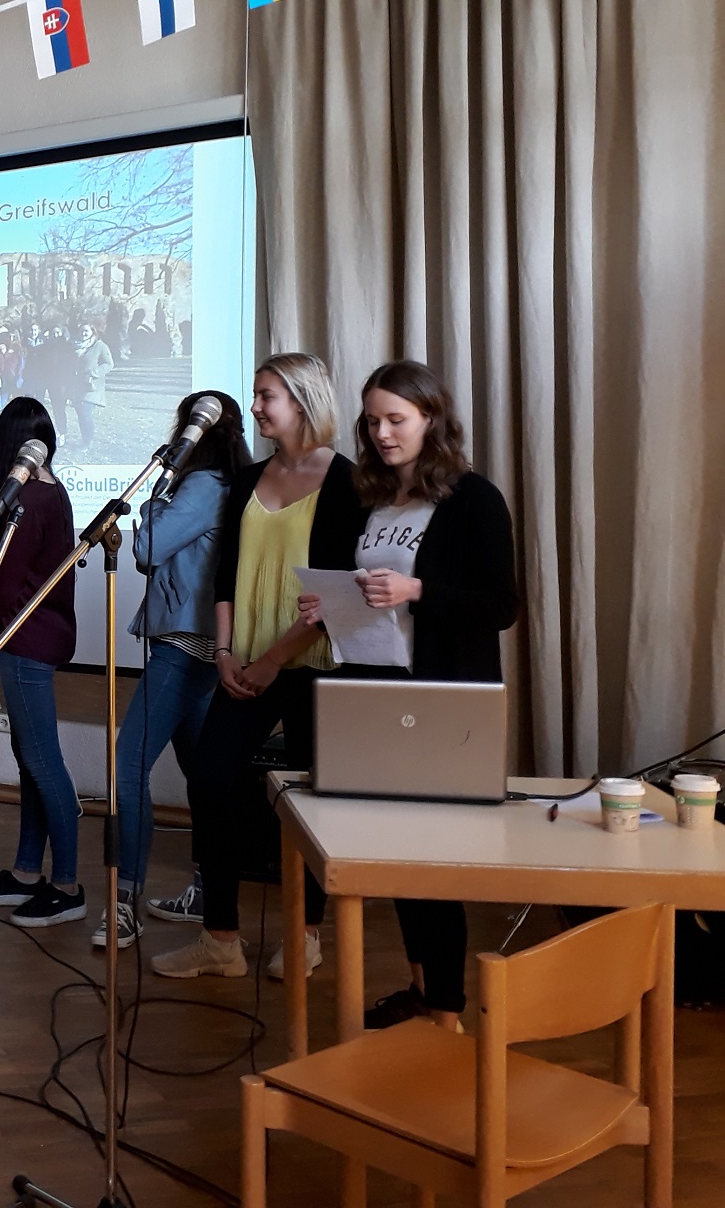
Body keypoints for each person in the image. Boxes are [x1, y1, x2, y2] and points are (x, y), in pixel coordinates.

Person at [304, 361, 518, 1029]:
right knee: (394, 856)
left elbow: (502, 605)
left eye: (397, 419)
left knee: (432, 858)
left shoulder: (473, 499)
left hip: (444, 698)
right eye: (373, 421)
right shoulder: (362, 499)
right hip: (372, 690)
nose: (383, 432)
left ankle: (449, 1006)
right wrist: (328, 602)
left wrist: (417, 592)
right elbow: (356, 587)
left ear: (432, 419)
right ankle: (424, 989)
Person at [153, 353, 365, 981]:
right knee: (211, 778)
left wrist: (274, 660)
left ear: (301, 401)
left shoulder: (346, 482)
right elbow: (224, 575)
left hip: (310, 665)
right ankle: (220, 939)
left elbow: (337, 594)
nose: (255, 406)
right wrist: (223, 653)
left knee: (309, 800)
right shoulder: (247, 479)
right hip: (242, 662)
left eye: (266, 394)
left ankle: (306, 935)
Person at [97, 393, 250, 945]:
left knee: (128, 766)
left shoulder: (203, 486)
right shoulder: (226, 485)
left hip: (185, 647)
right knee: (204, 775)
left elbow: (148, 548)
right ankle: (208, 893)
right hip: (206, 646)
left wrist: (155, 497)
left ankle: (123, 904)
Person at [0, 397, 86, 928]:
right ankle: (27, 871)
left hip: (23, 642)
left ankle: (68, 885)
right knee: (30, 759)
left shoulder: (31, 500)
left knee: (41, 760)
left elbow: (7, 587)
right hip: (24, 640)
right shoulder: (41, 494)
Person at [64, 322, 115, 452]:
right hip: (77, 386)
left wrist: (94, 372)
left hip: (91, 386)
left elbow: (109, 364)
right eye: (81, 331)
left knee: (85, 413)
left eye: (86, 331)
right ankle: (85, 439)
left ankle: (87, 442)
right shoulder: (75, 346)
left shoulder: (100, 346)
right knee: (81, 414)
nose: (83, 333)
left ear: (93, 332)